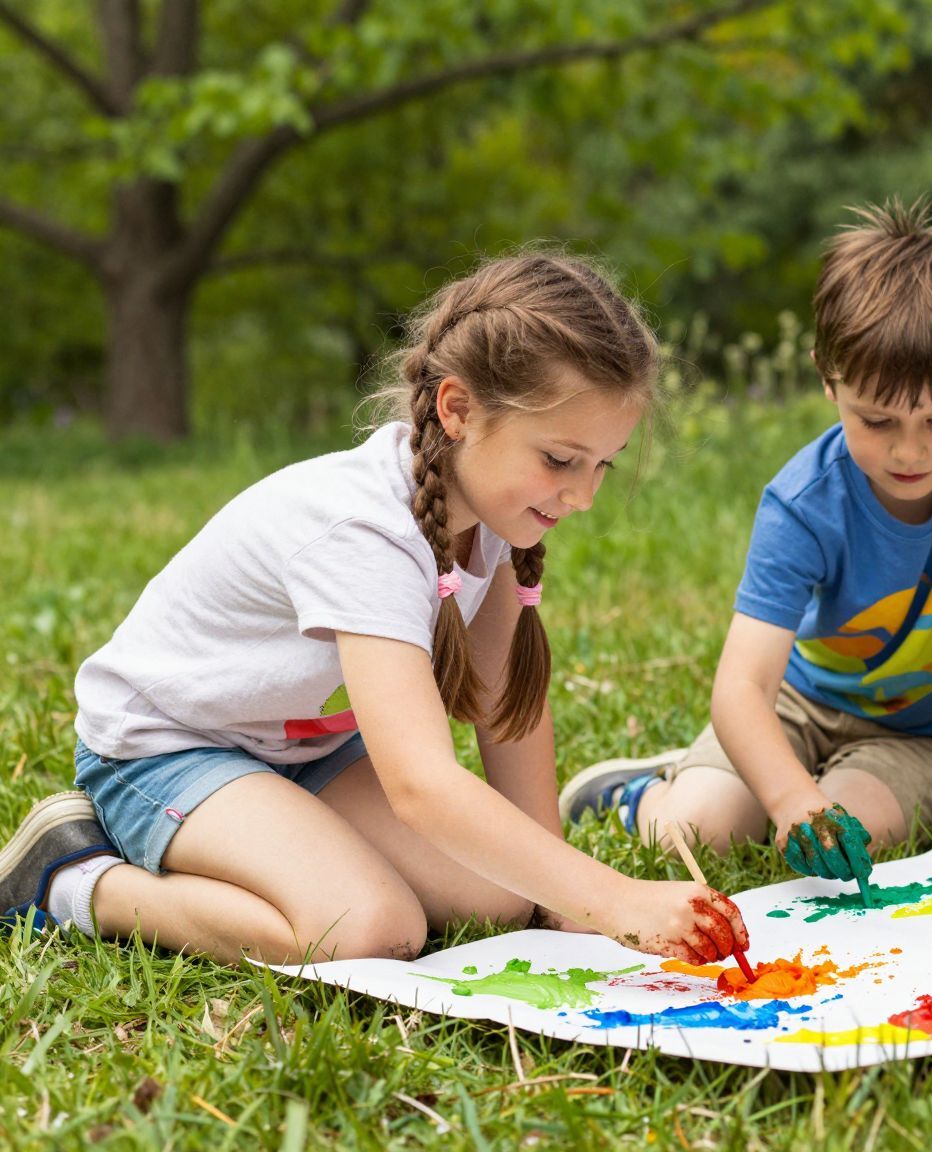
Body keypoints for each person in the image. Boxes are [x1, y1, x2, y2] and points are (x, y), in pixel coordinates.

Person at [0, 252, 748, 967]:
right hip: (168, 749)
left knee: (500, 894)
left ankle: (271, 837)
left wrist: (562, 900)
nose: (583, 496)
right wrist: (617, 898)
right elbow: (422, 786)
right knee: (368, 928)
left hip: (305, 752)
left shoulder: (491, 514)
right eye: (559, 460)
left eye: (601, 465)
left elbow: (500, 706)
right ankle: (72, 879)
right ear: (458, 409)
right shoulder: (364, 533)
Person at [562, 201, 932, 881]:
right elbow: (745, 685)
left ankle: (816, 789)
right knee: (703, 830)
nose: (909, 449)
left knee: (845, 837)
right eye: (877, 418)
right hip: (798, 704)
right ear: (827, 377)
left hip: (921, 736)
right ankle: (644, 797)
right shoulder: (803, 501)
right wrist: (789, 798)